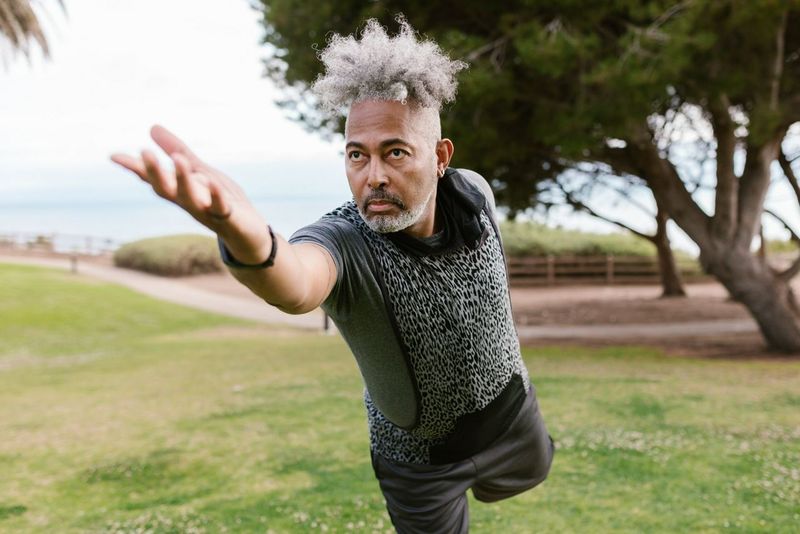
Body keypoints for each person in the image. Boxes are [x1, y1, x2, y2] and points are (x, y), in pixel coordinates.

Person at [111, 17, 554, 534]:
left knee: (536, 471)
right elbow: (297, 281)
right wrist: (247, 237)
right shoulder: (343, 242)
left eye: (395, 151)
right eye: (356, 155)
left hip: (515, 419)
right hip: (418, 465)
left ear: (439, 157)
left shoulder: (475, 193)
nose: (374, 177)